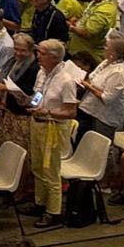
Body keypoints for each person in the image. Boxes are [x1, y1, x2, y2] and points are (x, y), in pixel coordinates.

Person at [28, 38, 81, 227]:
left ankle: (53, 211)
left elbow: (71, 111)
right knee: (37, 166)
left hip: (54, 128)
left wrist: (48, 112)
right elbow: (39, 94)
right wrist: (32, 104)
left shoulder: (66, 81)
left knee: (51, 170)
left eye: (41, 53)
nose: (37, 56)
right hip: (37, 123)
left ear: (54, 57)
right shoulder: (42, 72)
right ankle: (40, 202)